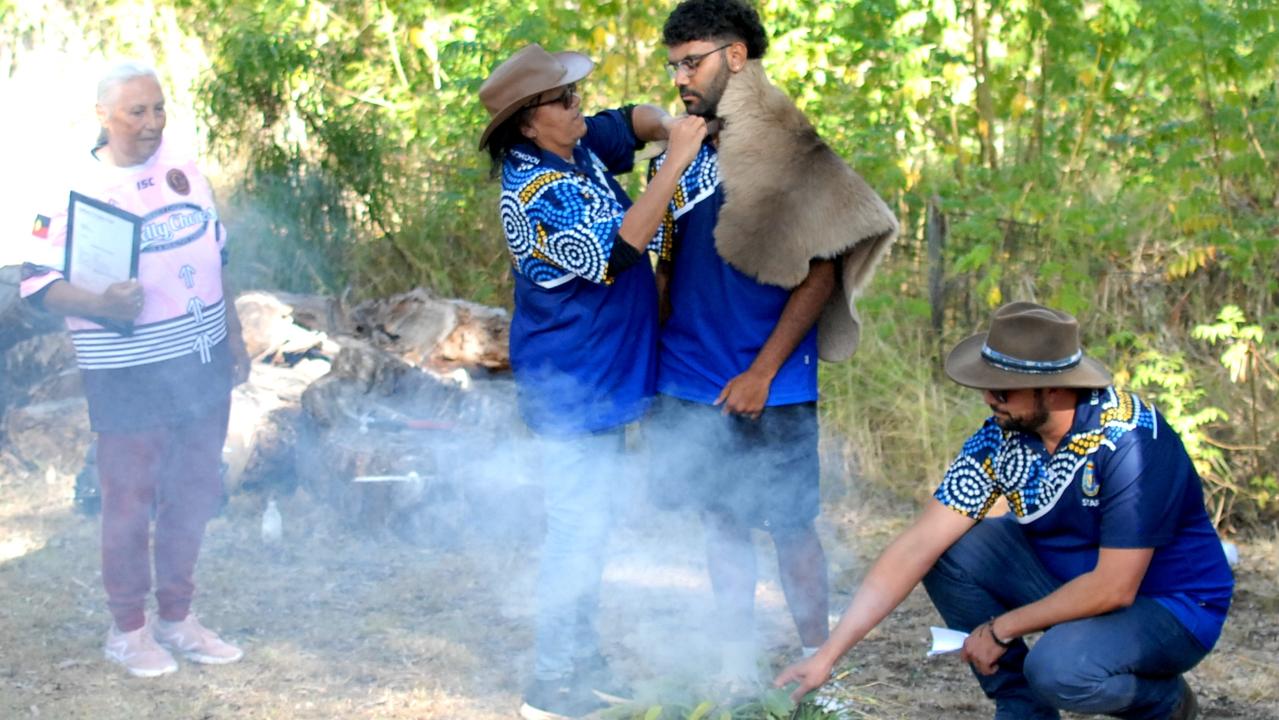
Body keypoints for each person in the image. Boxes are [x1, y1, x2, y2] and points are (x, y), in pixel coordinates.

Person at [776, 302, 1234, 720]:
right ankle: (1021, 709)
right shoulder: (1001, 436)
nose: (989, 399)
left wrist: (1001, 628)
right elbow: (916, 545)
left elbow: (1114, 588)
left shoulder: (1131, 441)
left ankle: (1164, 704)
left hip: (1170, 606)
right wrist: (827, 654)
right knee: (951, 552)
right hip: (1072, 583)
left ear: (1053, 388)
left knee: (1056, 670)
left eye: (1002, 389)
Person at [647, 0, 898, 685]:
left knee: (790, 526)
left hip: (775, 378)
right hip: (689, 372)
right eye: (673, 64)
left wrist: (761, 371)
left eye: (691, 61)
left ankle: (820, 669)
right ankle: (734, 667)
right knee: (720, 521)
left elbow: (821, 269)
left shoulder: (790, 148)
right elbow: (666, 265)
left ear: (735, 56)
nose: (679, 78)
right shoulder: (677, 151)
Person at [477, 43, 707, 719]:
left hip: (602, 381)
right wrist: (678, 162)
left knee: (593, 528)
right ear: (527, 121)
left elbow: (632, 119)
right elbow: (616, 251)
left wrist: (670, 123)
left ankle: (581, 660)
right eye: (565, 99)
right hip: (570, 387)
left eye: (577, 96)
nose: (580, 106)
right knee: (576, 535)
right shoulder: (535, 192)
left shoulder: (569, 149)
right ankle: (549, 685)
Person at [19, 62, 250, 678]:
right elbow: (36, 283)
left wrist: (232, 331)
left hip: (198, 357)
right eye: (135, 112)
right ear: (103, 116)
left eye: (157, 109)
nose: (150, 123)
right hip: (128, 366)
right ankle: (128, 630)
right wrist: (98, 305)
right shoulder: (68, 188)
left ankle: (178, 618)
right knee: (129, 500)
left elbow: (215, 251)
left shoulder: (181, 165)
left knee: (194, 491)